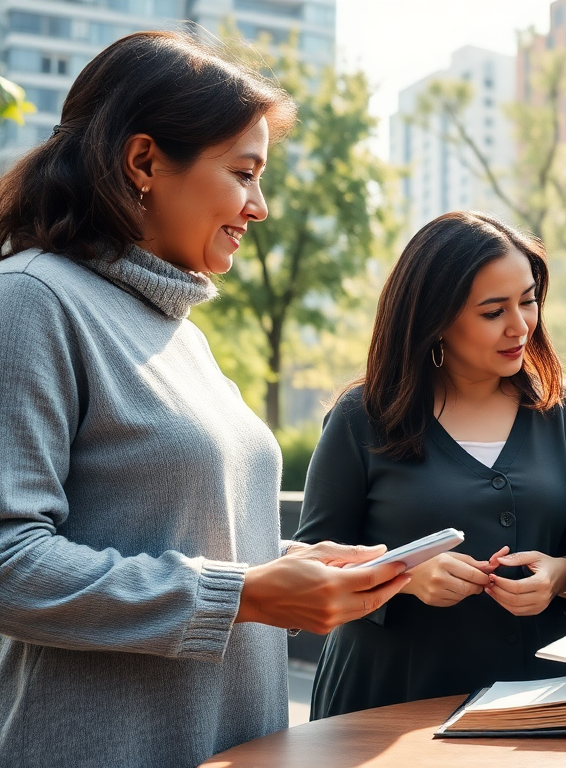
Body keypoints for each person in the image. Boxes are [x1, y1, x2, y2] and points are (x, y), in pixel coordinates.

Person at [0, 32, 409, 768]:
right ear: (144, 162)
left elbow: (164, 533)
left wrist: (288, 565)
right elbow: (10, 564)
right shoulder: (33, 300)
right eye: (244, 173)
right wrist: (246, 593)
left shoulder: (179, 331)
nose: (261, 207)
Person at [294, 211, 566, 719]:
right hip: (384, 705)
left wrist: (562, 576)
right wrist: (404, 577)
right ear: (436, 318)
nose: (520, 326)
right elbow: (309, 565)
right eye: (493, 312)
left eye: (528, 300)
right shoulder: (362, 418)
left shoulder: (563, 411)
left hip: (532, 707)